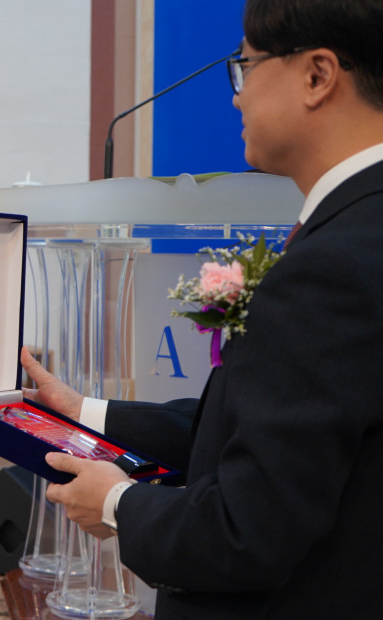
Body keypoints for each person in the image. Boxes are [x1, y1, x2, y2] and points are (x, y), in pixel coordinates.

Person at [21, 1, 383, 617]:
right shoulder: (360, 228)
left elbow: (249, 531)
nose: (237, 97)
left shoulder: (333, 267)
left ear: (317, 75)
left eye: (246, 66)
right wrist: (86, 412)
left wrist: (118, 504)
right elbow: (274, 434)